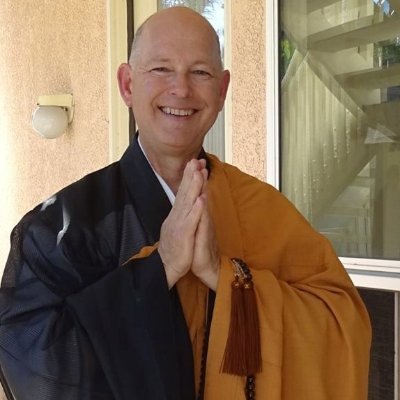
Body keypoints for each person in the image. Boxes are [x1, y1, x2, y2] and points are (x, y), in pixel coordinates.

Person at [0, 6, 371, 400]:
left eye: (200, 72)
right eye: (160, 69)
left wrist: (224, 277)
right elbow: (28, 353)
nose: (180, 89)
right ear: (127, 84)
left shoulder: (262, 208)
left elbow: (342, 325)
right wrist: (160, 269)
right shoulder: (62, 228)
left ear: (222, 89)